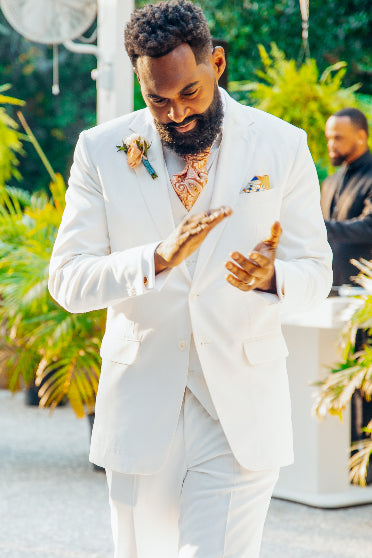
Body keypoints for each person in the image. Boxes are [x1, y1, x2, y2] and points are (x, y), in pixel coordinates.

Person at [48, 1, 332, 556]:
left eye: (189, 94)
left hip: (242, 409)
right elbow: (68, 280)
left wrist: (274, 279)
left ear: (217, 63)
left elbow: (316, 271)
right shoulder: (101, 150)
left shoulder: (282, 144)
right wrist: (154, 259)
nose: (176, 114)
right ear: (138, 80)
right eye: (158, 99)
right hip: (142, 407)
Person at [321, 107, 372, 287]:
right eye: (329, 138)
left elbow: (369, 226)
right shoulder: (329, 182)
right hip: (327, 290)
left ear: (360, 137)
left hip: (364, 295)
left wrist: (319, 227)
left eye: (338, 137)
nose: (331, 144)